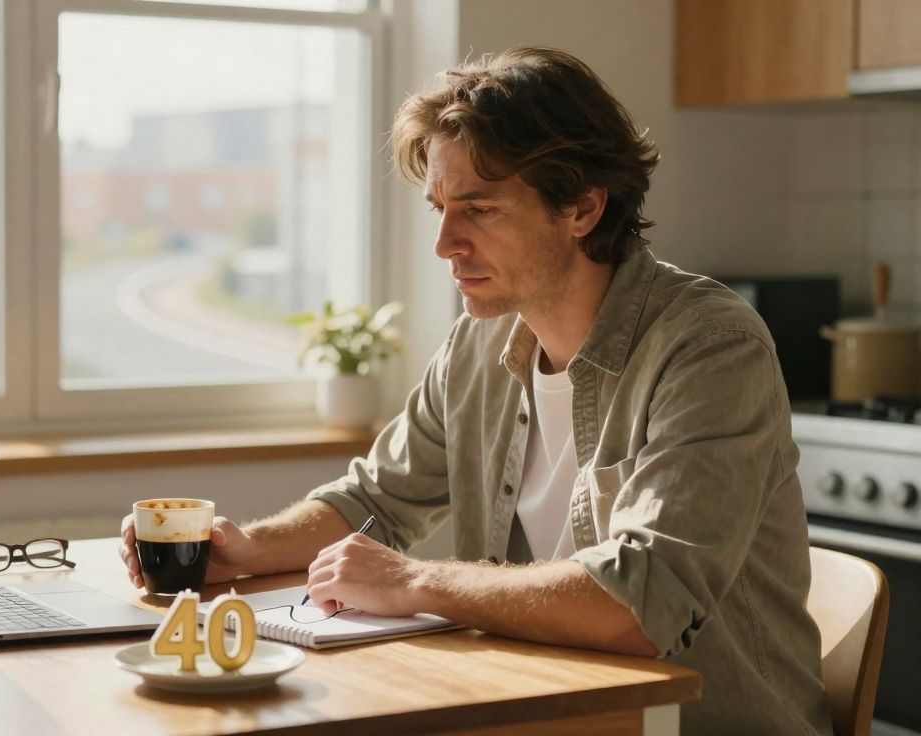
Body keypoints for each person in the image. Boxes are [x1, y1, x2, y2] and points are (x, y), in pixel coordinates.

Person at [119, 47, 831, 735]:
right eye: (439, 210)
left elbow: (638, 604)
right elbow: (373, 501)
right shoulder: (479, 343)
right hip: (544, 710)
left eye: (480, 211)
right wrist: (245, 548)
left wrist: (413, 581)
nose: (445, 245)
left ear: (582, 208)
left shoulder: (709, 348)